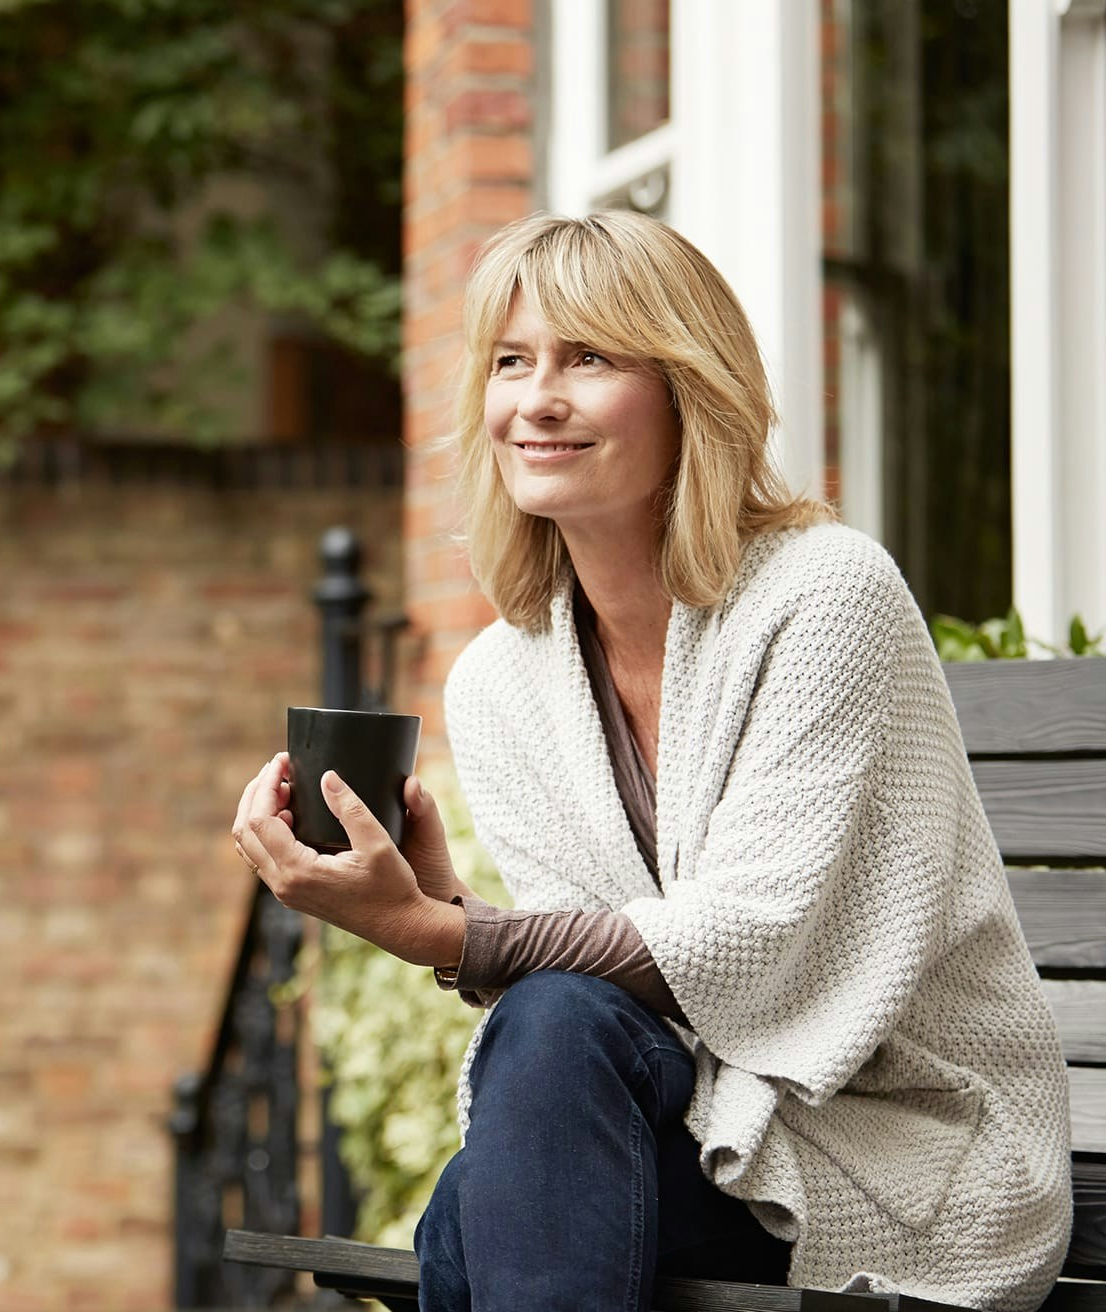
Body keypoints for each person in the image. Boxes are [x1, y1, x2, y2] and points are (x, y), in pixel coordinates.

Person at [230, 211, 1071, 1312]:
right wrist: (453, 915)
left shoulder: (824, 597)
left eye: (589, 357)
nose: (537, 398)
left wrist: (443, 933)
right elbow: (604, 999)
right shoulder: (504, 678)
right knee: (537, 1061)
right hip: (711, 1128)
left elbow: (751, 947)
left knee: (465, 1221)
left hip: (904, 1149)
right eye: (510, 362)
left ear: (690, 389)